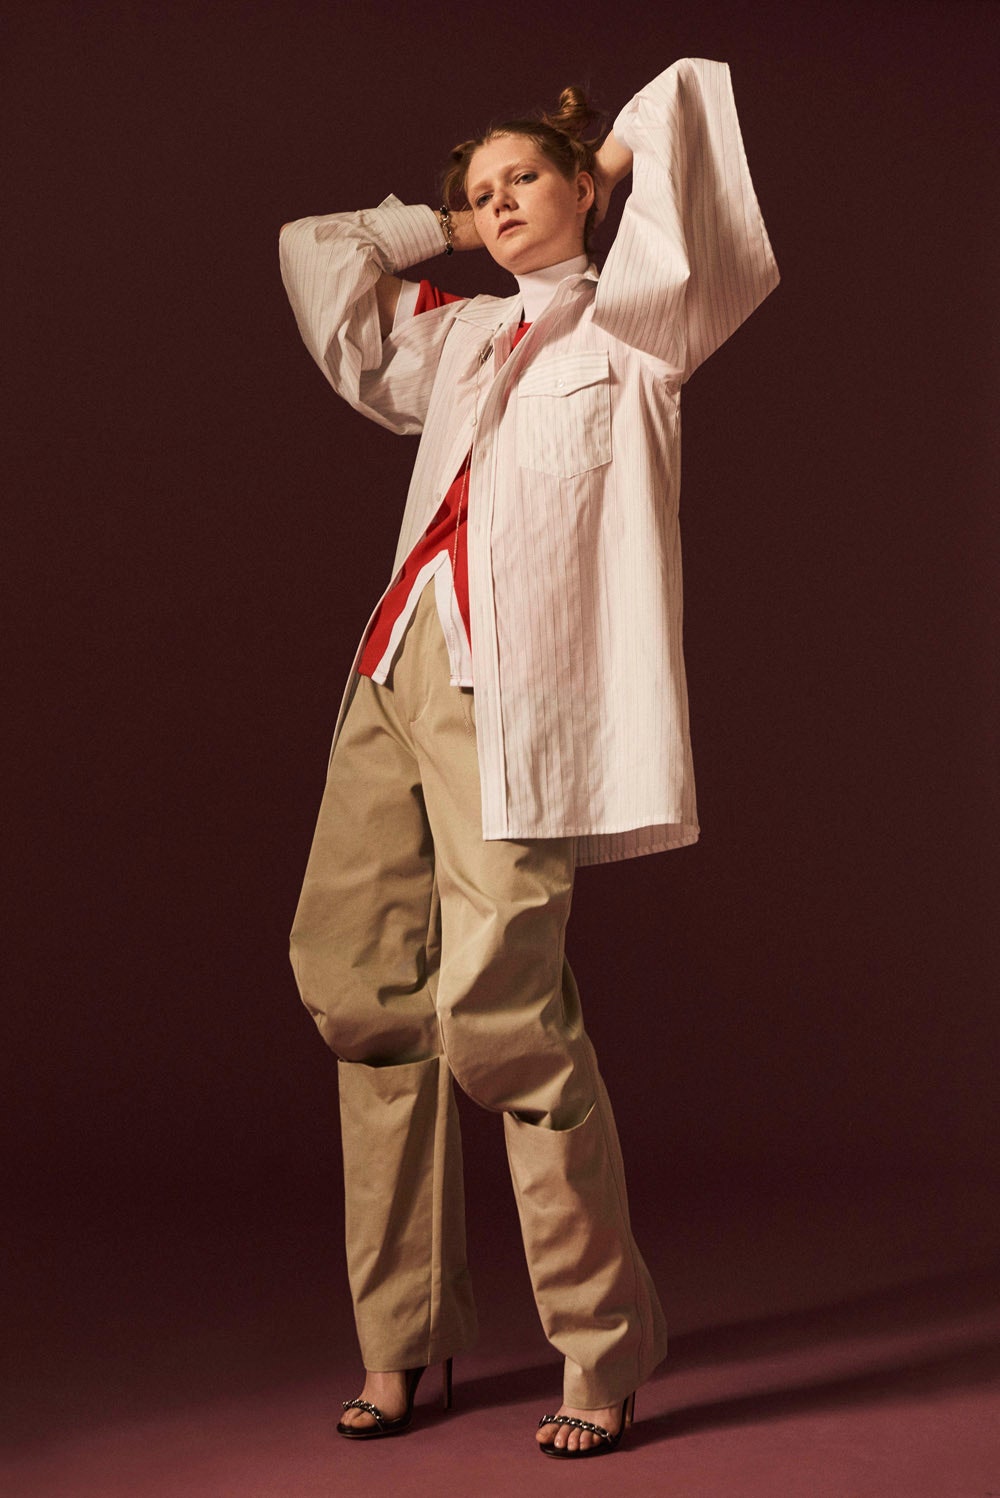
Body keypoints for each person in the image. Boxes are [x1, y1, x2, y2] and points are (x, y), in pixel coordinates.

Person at [279, 56, 779, 1458]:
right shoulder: (459, 335)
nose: (497, 203)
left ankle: (601, 1349)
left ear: (583, 189)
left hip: (515, 696)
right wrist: (440, 226)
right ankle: (405, 1340)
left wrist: (601, 161)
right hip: (396, 668)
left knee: (503, 1010)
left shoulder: (640, 329)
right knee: (363, 994)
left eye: (523, 180)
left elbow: (690, 93)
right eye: (479, 192)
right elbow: (319, 265)